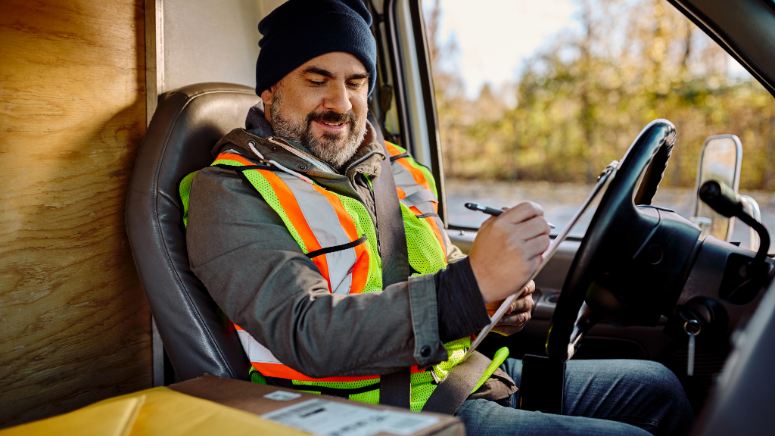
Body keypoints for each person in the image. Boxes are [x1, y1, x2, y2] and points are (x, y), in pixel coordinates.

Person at [184, 0, 693, 434]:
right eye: (317, 80)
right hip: (373, 414)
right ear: (270, 91)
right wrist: (470, 287)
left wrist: (499, 299)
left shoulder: (395, 167)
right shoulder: (229, 193)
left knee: (660, 388)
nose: (340, 102)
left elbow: (441, 268)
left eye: (356, 83)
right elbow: (308, 333)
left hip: (466, 376)